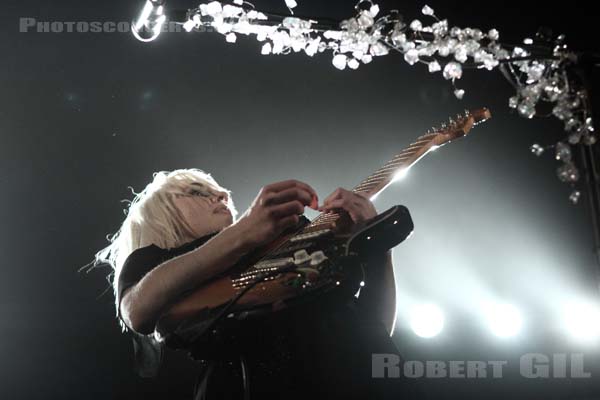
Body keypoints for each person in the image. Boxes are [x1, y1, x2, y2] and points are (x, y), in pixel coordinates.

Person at [93, 168, 412, 399]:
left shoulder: (286, 237)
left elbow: (376, 330)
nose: (222, 195)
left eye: (219, 190)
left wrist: (377, 246)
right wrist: (243, 233)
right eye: (198, 192)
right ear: (160, 215)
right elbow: (137, 308)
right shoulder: (154, 259)